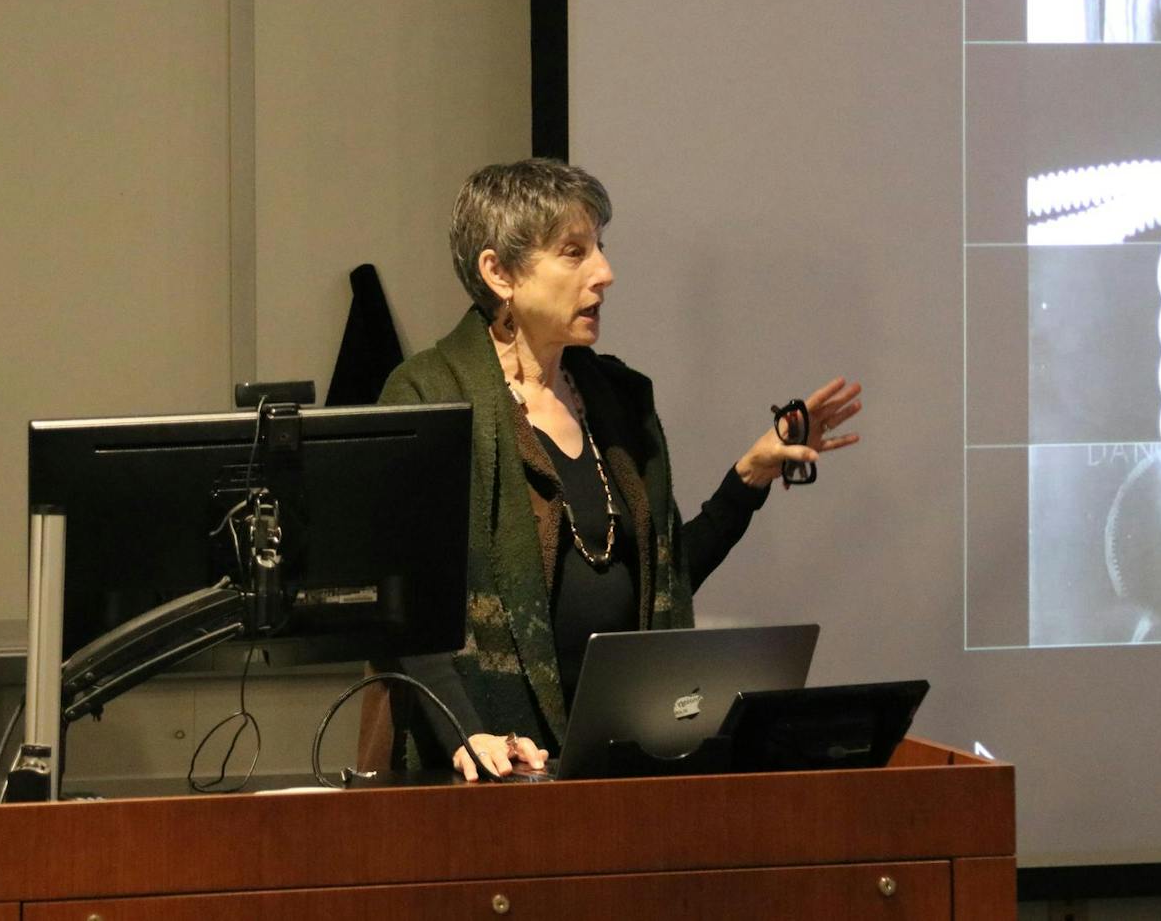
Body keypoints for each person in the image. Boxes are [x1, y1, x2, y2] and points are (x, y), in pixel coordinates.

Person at [357, 158, 861, 780]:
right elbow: (402, 603)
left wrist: (748, 479)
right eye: (574, 252)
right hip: (490, 767)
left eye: (600, 248)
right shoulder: (430, 397)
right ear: (499, 272)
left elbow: (663, 585)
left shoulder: (620, 399)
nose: (604, 273)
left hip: (615, 755)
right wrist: (468, 732)